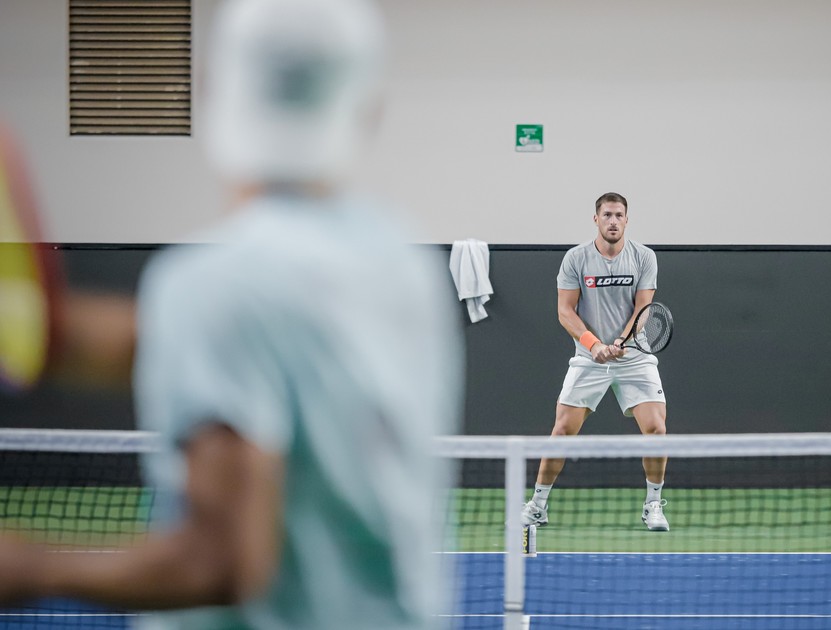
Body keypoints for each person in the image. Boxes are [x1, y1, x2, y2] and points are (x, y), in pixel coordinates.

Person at [0, 0, 464, 628]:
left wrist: (34, 568)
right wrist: (44, 332)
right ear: (369, 108)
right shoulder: (401, 265)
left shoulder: (213, 286)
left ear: (212, 92)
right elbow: (238, 350)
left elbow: (218, 562)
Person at [521, 192, 670, 532]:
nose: (613, 221)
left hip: (634, 357)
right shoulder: (576, 259)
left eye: (618, 215)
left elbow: (643, 310)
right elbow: (565, 311)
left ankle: (653, 505)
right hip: (589, 359)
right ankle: (538, 506)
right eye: (607, 215)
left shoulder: (644, 257)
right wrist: (594, 345)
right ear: (596, 219)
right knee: (562, 431)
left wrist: (620, 342)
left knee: (657, 430)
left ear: (627, 220)